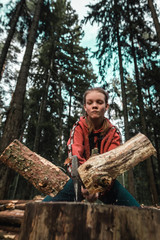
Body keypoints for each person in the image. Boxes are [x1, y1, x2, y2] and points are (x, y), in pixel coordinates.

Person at [43, 87, 140, 207]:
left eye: (99, 102)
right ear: (85, 107)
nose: (95, 106)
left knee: (136, 209)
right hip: (78, 183)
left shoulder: (113, 133)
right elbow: (74, 155)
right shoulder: (78, 127)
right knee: (44, 206)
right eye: (90, 103)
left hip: (106, 185)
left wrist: (98, 186)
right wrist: (85, 183)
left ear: (106, 106)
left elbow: (113, 164)